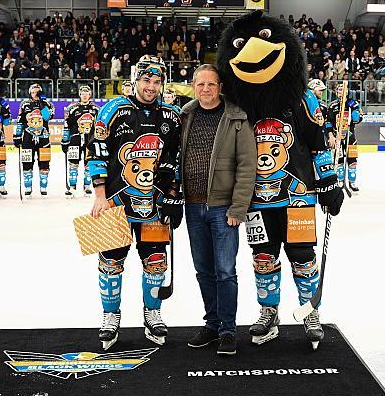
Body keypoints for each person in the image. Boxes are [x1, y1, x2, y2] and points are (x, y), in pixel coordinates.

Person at [215, 11, 344, 350]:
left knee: (302, 255)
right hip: (256, 199)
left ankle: (309, 312)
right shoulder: (239, 103)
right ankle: (268, 311)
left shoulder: (302, 99)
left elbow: (319, 143)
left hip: (298, 196)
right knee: (263, 256)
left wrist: (329, 182)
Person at [87, 55, 182, 350]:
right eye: (146, 80)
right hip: (114, 203)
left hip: (154, 206)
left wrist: (173, 198)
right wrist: (100, 195)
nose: (151, 87)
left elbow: (175, 160)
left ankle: (152, 313)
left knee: (155, 261)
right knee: (110, 262)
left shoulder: (171, 115)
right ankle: (110, 316)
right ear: (135, 80)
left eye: (157, 81)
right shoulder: (113, 109)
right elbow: (97, 150)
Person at [181, 64, 256, 356]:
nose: (205, 90)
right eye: (200, 85)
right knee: (203, 270)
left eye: (211, 85)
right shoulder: (186, 114)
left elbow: (247, 167)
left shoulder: (237, 118)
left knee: (225, 271)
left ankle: (227, 329)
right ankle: (211, 324)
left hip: (224, 209)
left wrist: (238, 207)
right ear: (193, 86)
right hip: (193, 206)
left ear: (220, 86)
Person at [13, 83, 55, 196]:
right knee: (27, 162)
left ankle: (43, 187)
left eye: (37, 92)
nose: (35, 94)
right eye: (33, 92)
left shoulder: (48, 104)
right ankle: (28, 187)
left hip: (43, 137)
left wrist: (42, 103)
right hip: (28, 137)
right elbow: (20, 121)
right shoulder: (24, 104)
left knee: (44, 162)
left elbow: (47, 117)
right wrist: (17, 136)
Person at [323, 81, 363, 192]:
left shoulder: (352, 103)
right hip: (338, 137)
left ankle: (352, 182)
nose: (340, 92)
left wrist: (354, 110)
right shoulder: (332, 105)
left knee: (352, 159)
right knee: (339, 159)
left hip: (350, 137)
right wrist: (330, 135)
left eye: (342, 90)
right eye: (339, 90)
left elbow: (358, 119)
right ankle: (340, 180)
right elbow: (328, 122)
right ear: (336, 92)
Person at [62, 85, 98, 197]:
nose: (85, 95)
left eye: (87, 93)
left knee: (88, 163)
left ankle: (87, 186)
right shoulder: (72, 108)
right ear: (79, 94)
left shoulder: (96, 109)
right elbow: (67, 125)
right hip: (75, 139)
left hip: (90, 140)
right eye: (83, 93)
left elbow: (100, 126)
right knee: (73, 163)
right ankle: (72, 186)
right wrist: (64, 140)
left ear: (90, 95)